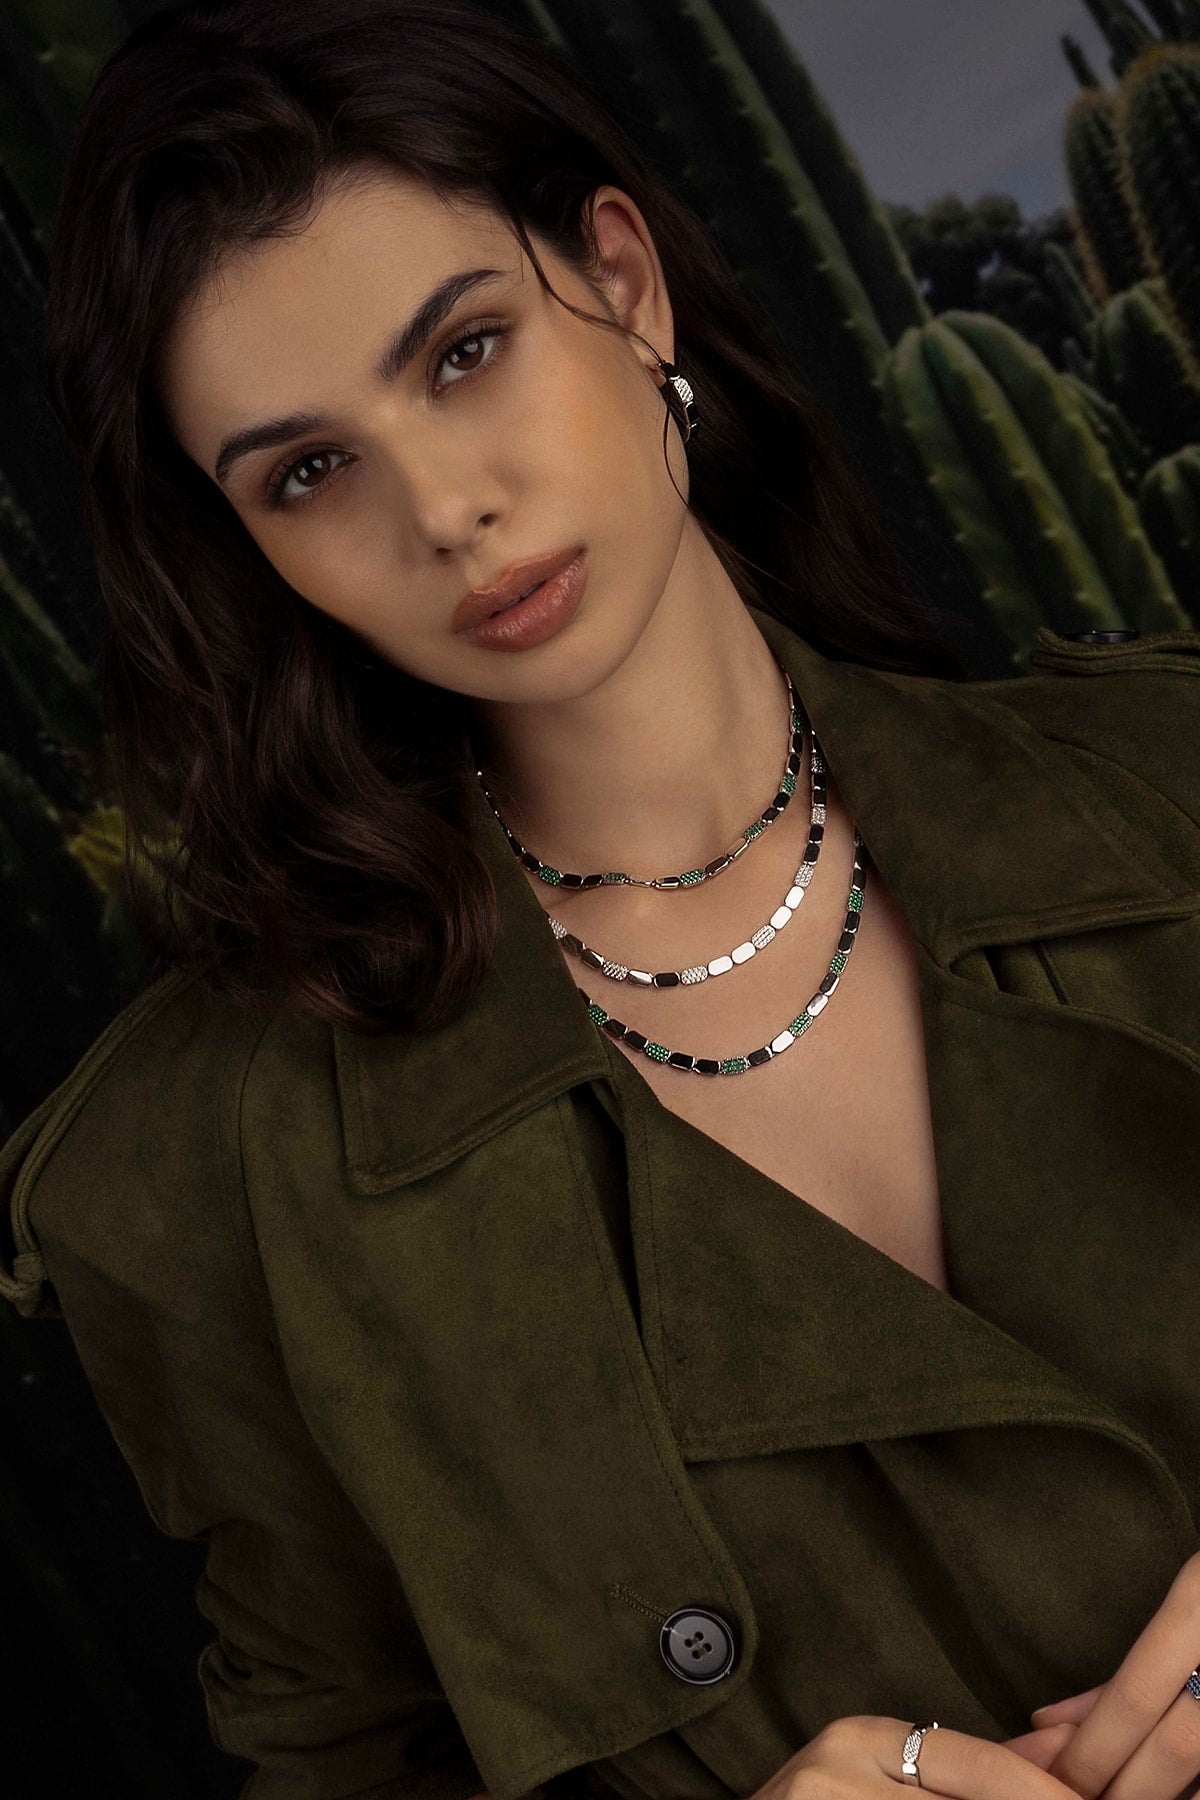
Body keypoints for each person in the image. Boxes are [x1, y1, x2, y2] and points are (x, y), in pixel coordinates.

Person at [3, 1, 1200, 1796]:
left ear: (624, 283)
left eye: (466, 351)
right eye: (311, 471)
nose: (445, 509)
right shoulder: (206, 1185)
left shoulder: (1175, 786)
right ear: (248, 545)